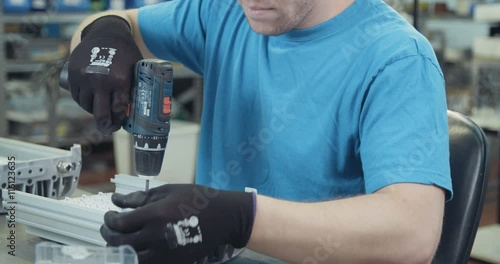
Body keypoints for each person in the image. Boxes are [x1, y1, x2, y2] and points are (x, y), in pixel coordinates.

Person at [67, 0, 453, 263]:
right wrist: (105, 36)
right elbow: (114, 24)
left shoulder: (396, 59)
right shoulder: (225, 13)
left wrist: (242, 219)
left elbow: (413, 231)